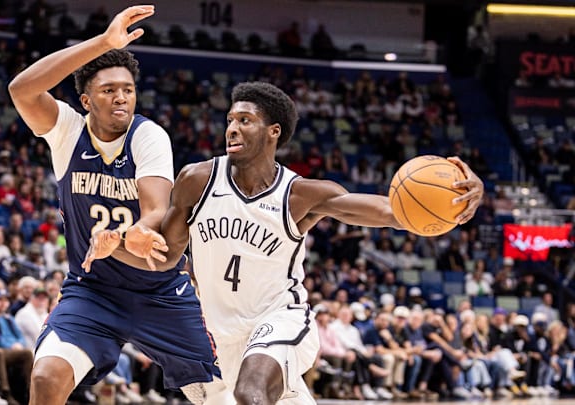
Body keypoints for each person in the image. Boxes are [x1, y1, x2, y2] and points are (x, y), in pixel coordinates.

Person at [87, 81, 484, 404]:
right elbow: (166, 255)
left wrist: (454, 203)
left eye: (245, 120)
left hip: (281, 319)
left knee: (250, 392)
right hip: (221, 334)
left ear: (273, 131)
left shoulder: (300, 195)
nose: (232, 128)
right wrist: (117, 247)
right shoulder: (196, 179)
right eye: (230, 119)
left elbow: (390, 211)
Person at [8, 5, 222, 405]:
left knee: (220, 395)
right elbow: (21, 89)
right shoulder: (67, 132)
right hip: (93, 291)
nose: (121, 97)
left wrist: (129, 234)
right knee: (47, 375)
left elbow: (157, 209)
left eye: (128, 89)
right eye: (109, 91)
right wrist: (103, 44)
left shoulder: (148, 136)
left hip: (159, 289)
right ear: (86, 100)